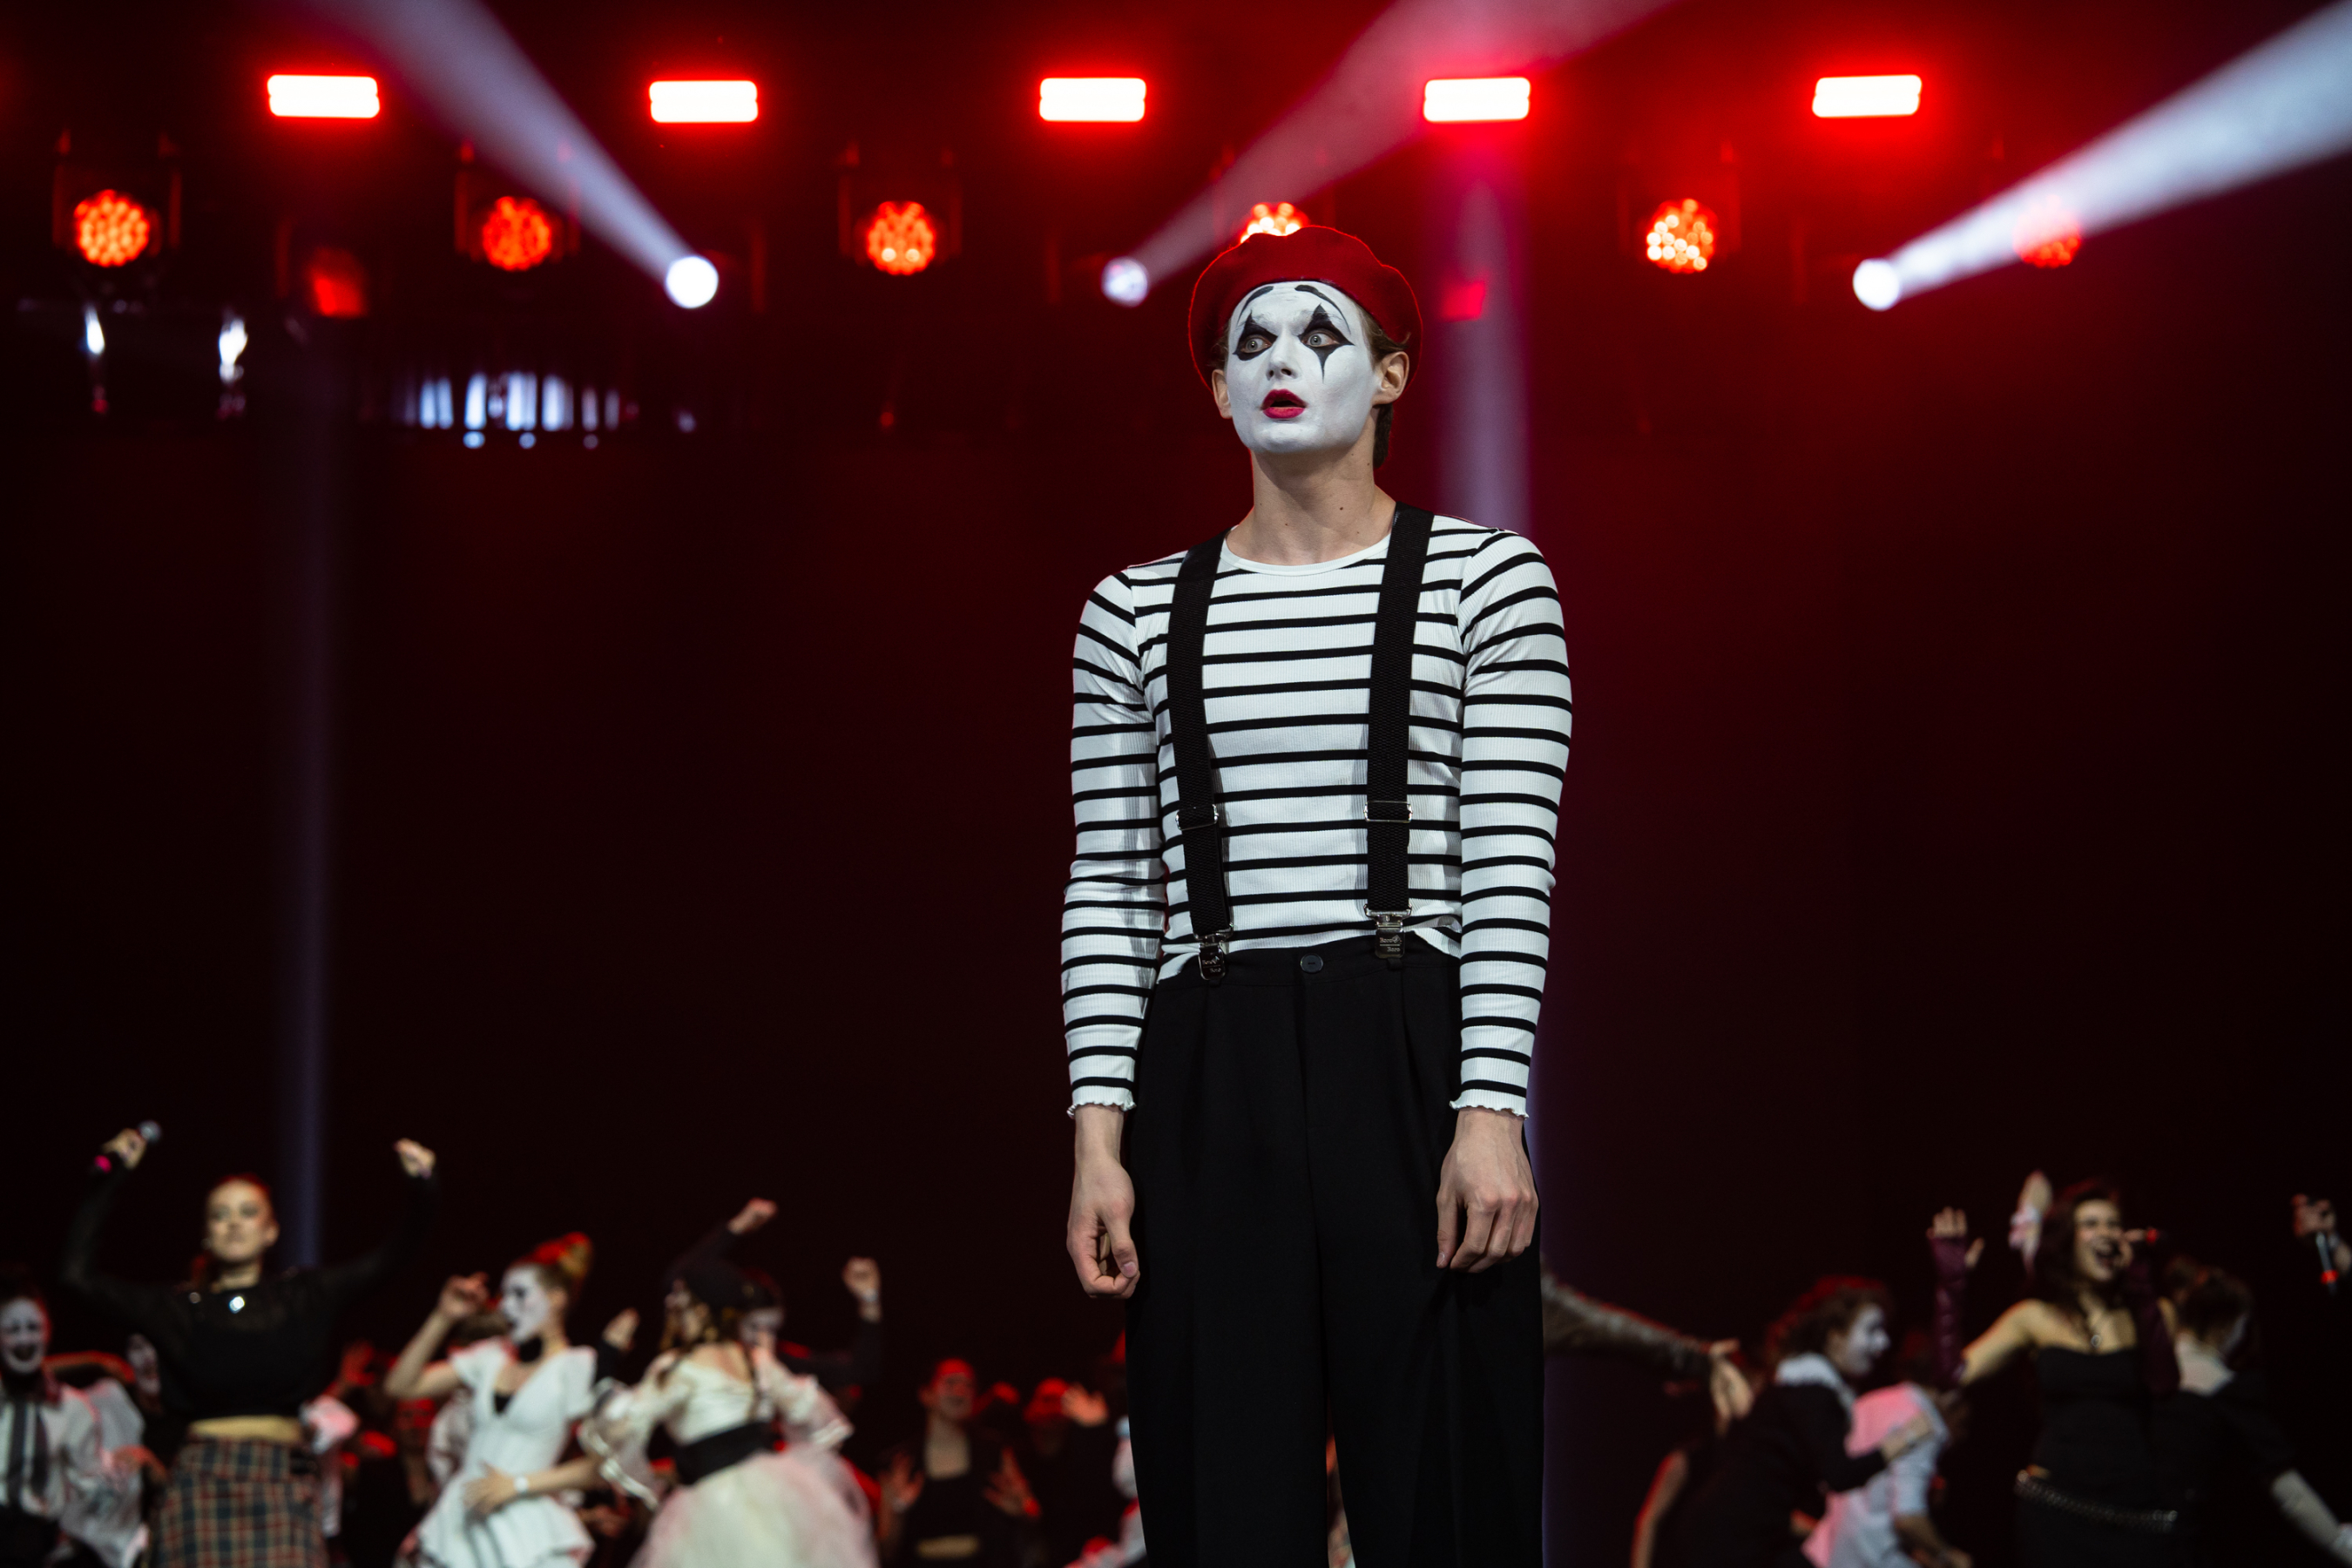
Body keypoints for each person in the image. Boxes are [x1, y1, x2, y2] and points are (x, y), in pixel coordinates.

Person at [1059, 223, 1569, 1568]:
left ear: (1392, 374)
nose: (1282, 361)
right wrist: (1099, 1140)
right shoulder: (1132, 611)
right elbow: (1109, 885)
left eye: (1322, 334)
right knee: (1223, 1492)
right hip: (1209, 1060)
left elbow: (1510, 863)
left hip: (1407, 1045)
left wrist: (1489, 1110)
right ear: (1218, 389)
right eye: (1251, 343)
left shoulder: (1489, 580)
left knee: (1447, 1489)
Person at [59, 1126, 437, 1568]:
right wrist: (107, 1181)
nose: (234, 1222)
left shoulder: (303, 1297)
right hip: (202, 1480)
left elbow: (392, 1258)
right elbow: (76, 1276)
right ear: (206, 1234)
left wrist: (423, 1189)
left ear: (271, 1230)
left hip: (280, 1478)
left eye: (248, 1212)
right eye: (221, 1215)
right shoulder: (179, 1309)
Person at [1929, 1181, 2183, 1567]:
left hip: (2137, 1515)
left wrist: (2142, 1286)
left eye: (2114, 1224)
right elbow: (1952, 1374)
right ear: (2067, 1241)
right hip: (2056, 1511)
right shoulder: (2035, 1317)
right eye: (2091, 1224)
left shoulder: (2155, 1314)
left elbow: (2164, 1383)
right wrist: (1951, 1288)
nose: (2106, 1233)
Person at [582, 1254, 872, 1568]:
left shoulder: (679, 1368)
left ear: (699, 1311)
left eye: (680, 1306)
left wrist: (606, 1361)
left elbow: (619, 1423)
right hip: (772, 1495)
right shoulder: (757, 1361)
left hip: (714, 1505)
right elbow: (812, 1411)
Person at [1675, 1279, 1936, 1568]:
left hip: (1738, 1531)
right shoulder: (1813, 1393)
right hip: (1728, 1538)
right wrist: (1901, 1442)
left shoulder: (1799, 1387)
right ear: (1835, 1338)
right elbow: (1839, 1475)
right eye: (1872, 1330)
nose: (1883, 1343)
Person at [382, 1235, 606, 1568]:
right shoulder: (491, 1356)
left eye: (520, 1294)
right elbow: (400, 1385)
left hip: (523, 1526)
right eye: (504, 1295)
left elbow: (599, 1467)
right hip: (461, 1522)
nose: (505, 1306)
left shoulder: (577, 1367)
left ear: (557, 1299)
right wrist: (444, 1316)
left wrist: (517, 1484)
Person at [2158, 1260, 2352, 1565]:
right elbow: (2290, 1494)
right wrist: (2342, 1545)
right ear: (2231, 1323)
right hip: (2183, 1544)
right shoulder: (2224, 1390)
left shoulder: (2147, 1373)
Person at [0, 1274, 150, 1568]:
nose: (24, 1340)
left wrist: (118, 1474)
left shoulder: (73, 1408)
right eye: (12, 1330)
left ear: (48, 1331)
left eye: (33, 1328)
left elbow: (89, 1479)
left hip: (39, 1546)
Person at [665, 1201, 882, 1400]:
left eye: (771, 1330)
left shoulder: (778, 1365)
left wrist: (869, 1299)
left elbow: (861, 1370)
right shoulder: (697, 1363)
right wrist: (737, 1226)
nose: (764, 1340)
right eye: (754, 1327)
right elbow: (678, 1280)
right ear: (730, 1322)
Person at [1801, 1337, 1968, 1568]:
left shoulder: (1868, 1402)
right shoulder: (1924, 1423)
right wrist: (1949, 1556)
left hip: (1826, 1554)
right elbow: (1907, 1518)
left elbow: (1835, 1480)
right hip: (1872, 1559)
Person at [876, 1359, 1031, 1568]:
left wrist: (1021, 1511)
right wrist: (898, 1512)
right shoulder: (900, 1461)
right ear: (926, 1394)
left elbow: (1031, 1510)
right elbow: (885, 1550)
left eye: (968, 1385)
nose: (960, 1391)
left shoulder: (994, 1450)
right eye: (950, 1383)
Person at [1011, 1377, 1120, 1568]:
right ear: (1030, 1407)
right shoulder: (1015, 1456)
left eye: (1062, 1401)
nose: (1054, 1408)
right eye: (1047, 1400)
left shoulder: (1087, 1454)